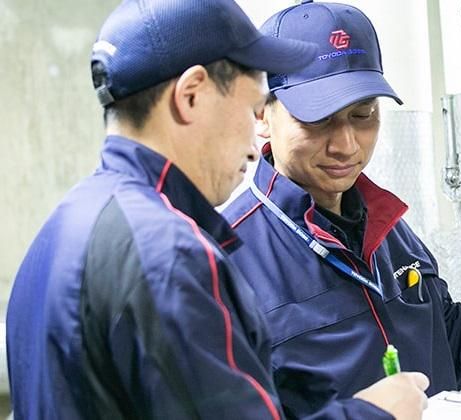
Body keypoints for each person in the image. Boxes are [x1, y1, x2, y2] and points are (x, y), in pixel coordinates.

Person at [6, 0, 429, 418]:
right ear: (191, 96)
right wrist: (377, 413)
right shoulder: (170, 254)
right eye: (249, 110)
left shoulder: (64, 228)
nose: (253, 146)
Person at [222, 0, 461, 418]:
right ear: (262, 114)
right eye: (318, 120)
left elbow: (459, 353)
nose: (346, 145)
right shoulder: (225, 258)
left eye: (363, 114)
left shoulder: (386, 228)